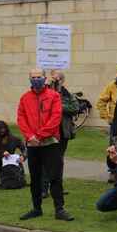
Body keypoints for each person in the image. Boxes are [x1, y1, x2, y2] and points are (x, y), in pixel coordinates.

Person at [17, 68, 74, 222]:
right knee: (35, 178)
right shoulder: (25, 98)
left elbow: (56, 118)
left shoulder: (54, 96)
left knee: (55, 177)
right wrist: (30, 136)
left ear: (44, 78)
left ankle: (59, 209)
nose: (36, 79)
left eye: (39, 77)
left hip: (50, 143)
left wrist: (40, 135)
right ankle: (36, 208)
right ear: (30, 79)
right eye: (33, 77)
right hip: (33, 144)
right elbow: (21, 118)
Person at [43, 70, 79, 198]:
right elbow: (42, 107)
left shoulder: (67, 94)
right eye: (53, 79)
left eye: (58, 79)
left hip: (63, 132)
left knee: (58, 161)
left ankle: (58, 187)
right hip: (48, 132)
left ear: (62, 80)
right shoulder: (44, 92)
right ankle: (44, 188)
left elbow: (75, 108)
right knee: (47, 160)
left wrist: (58, 105)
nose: (55, 81)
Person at [97, 64, 117, 138]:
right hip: (115, 119)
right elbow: (102, 101)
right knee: (114, 141)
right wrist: (106, 116)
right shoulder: (112, 85)